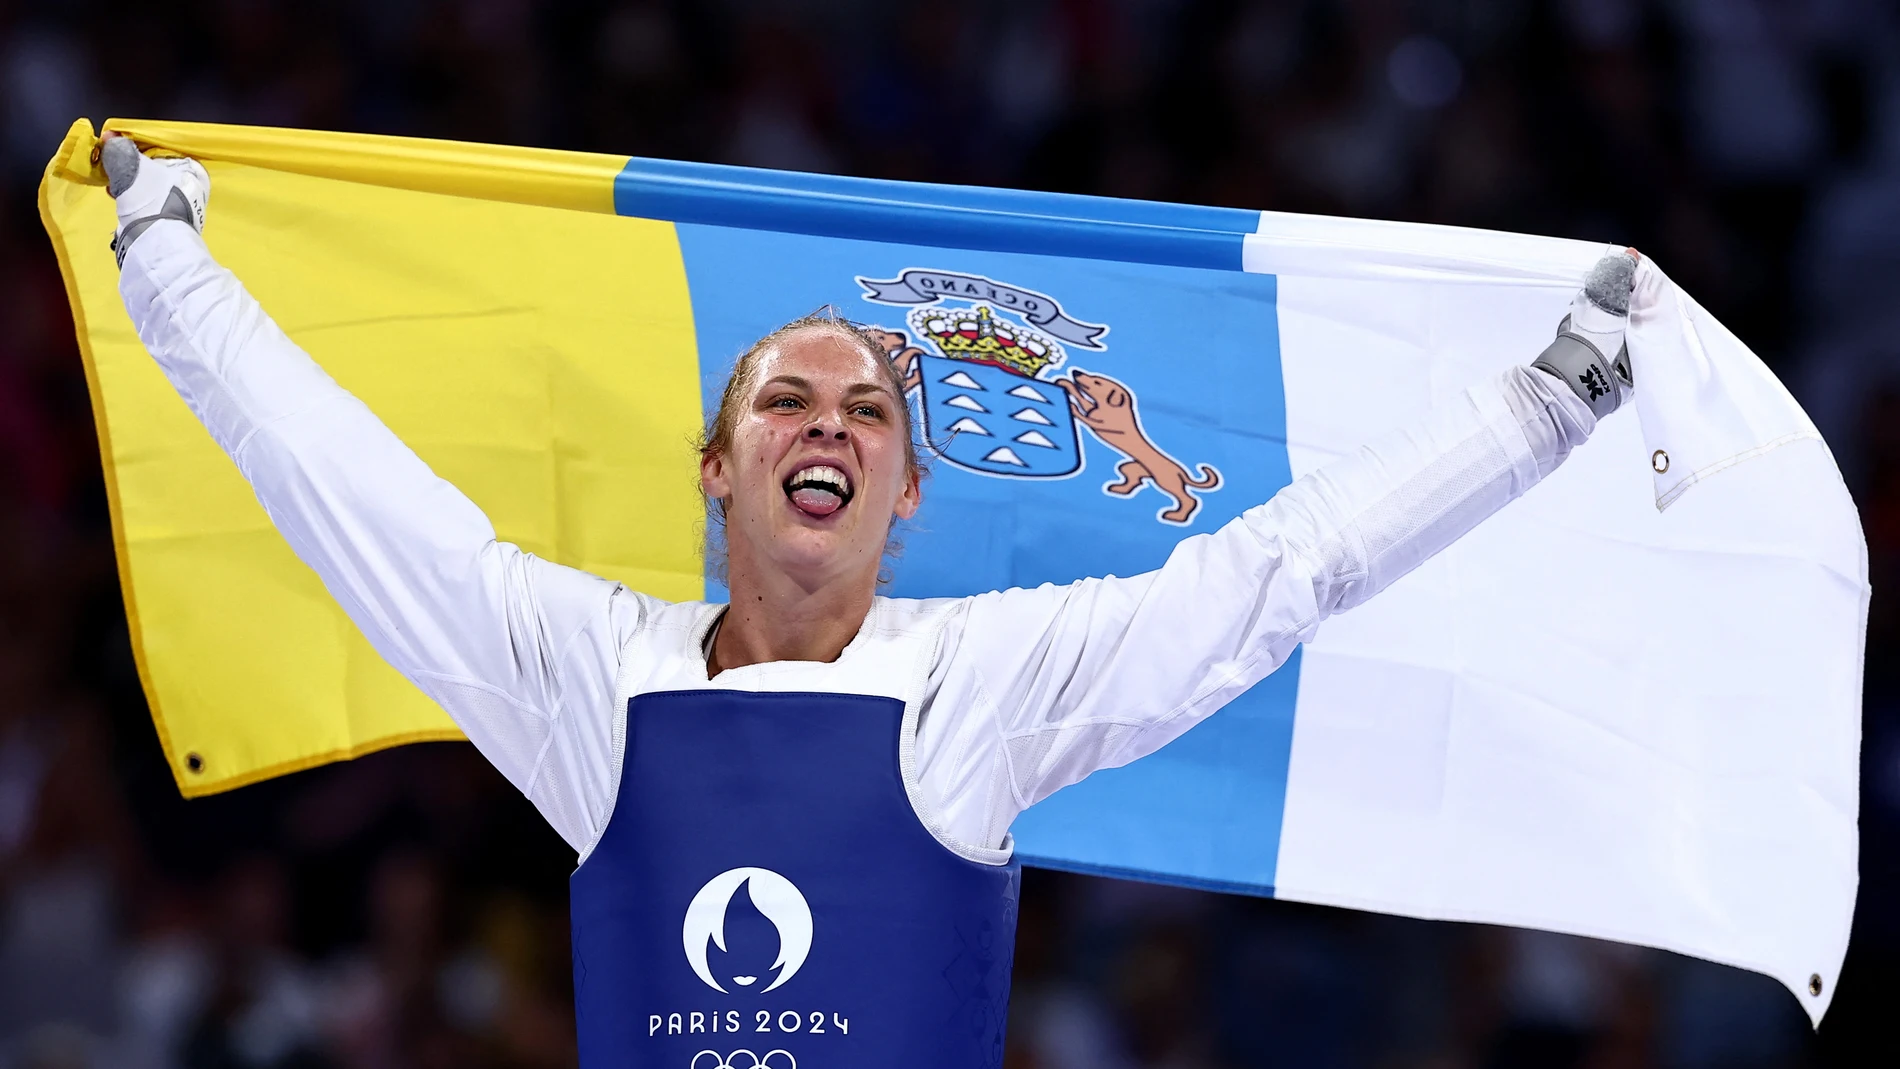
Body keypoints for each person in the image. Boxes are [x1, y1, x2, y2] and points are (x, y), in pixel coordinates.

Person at [100, 134, 1635, 1068]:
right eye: (786, 401)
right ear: (717, 467)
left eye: (867, 409)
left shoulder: (980, 679)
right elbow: (341, 492)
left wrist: (1551, 404)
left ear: (908, 496)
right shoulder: (590, 679)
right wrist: (164, 263)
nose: (827, 421)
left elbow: (1276, 570)